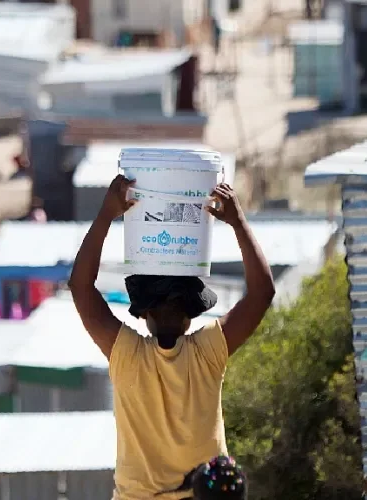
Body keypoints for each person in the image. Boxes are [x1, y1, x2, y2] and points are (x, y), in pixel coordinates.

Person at [68, 175, 274, 500]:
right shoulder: (208, 351)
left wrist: (107, 214)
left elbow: (80, 288)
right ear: (191, 315)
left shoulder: (127, 354)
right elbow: (262, 292)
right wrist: (237, 222)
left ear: (143, 315)